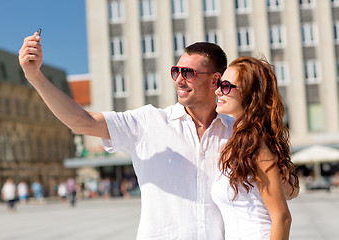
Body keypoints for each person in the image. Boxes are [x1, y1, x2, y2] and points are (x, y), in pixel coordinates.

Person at [19, 32, 297, 239]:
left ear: (215, 81)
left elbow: (284, 195)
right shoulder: (148, 122)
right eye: (176, 71)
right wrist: (36, 78)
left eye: (187, 72)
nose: (178, 79)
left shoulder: (238, 134)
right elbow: (82, 122)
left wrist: (283, 181)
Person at [212, 56, 299, 239]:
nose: (218, 91)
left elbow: (282, 217)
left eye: (226, 86)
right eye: (220, 84)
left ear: (249, 95)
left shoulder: (256, 146)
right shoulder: (239, 143)